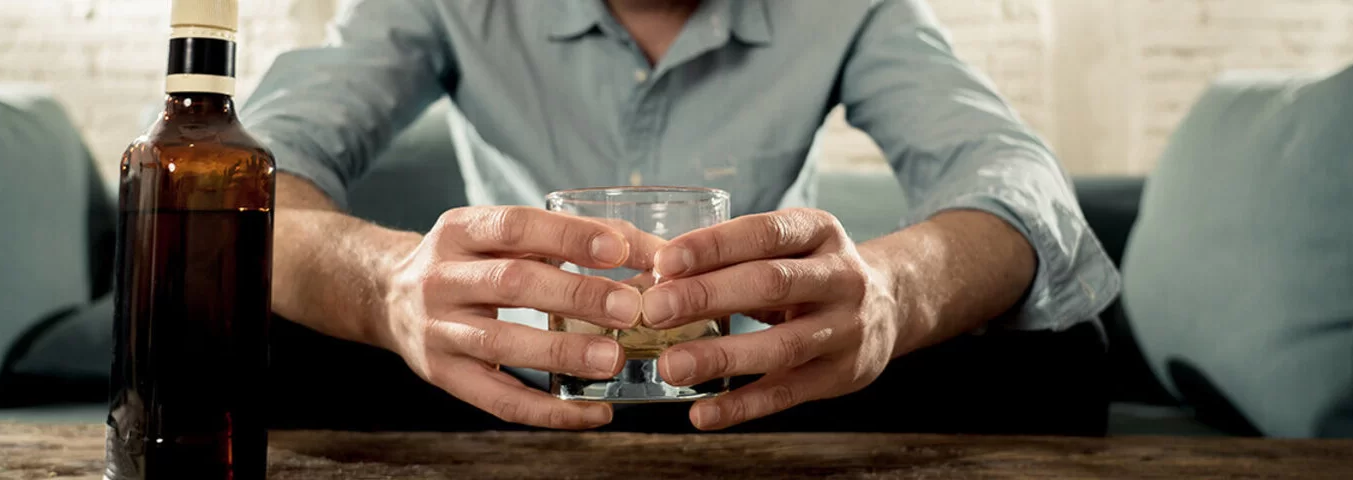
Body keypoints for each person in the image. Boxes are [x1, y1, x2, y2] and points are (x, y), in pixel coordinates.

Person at [241, 0, 1120, 435]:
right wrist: (390, 288)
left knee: (1063, 352)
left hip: (760, 393)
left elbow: (1015, 177)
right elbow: (245, 177)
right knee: (249, 332)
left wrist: (895, 292)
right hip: (507, 384)